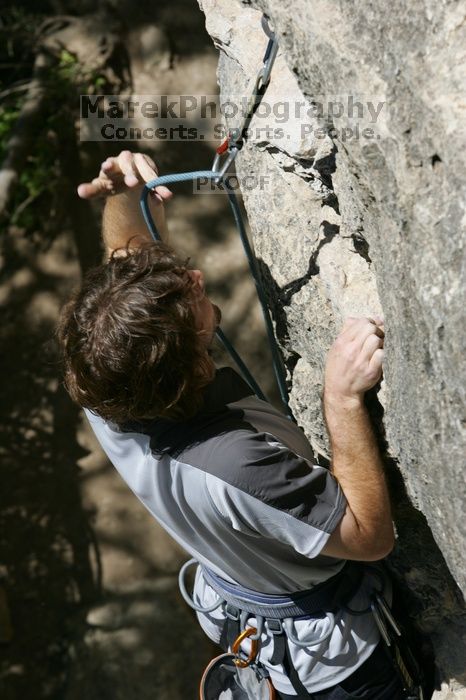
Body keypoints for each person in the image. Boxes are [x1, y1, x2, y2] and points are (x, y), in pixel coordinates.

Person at [58, 150, 404, 699]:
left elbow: (131, 263)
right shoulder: (236, 464)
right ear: (197, 367)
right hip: (339, 671)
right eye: (192, 300)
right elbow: (368, 537)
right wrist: (340, 400)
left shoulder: (107, 388)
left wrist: (124, 194)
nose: (196, 277)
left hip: (242, 603)